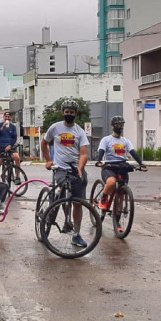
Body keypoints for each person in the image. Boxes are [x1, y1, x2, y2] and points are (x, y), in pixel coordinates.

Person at [41, 99, 89, 248]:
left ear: (76, 114)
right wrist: (48, 160)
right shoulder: (55, 128)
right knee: (63, 193)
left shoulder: (79, 131)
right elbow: (44, 142)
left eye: (72, 112)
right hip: (60, 168)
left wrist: (80, 169)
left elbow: (84, 153)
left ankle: (76, 233)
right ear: (63, 113)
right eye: (67, 112)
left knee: (78, 202)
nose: (69, 114)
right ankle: (64, 215)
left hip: (75, 169)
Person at [94, 116, 145, 231]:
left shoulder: (126, 141)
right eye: (117, 125)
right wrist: (99, 160)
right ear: (113, 126)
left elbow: (133, 152)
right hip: (109, 167)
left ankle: (117, 222)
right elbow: (101, 151)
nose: (120, 127)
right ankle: (104, 197)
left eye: (121, 124)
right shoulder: (106, 139)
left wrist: (141, 164)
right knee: (111, 182)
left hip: (122, 167)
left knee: (121, 195)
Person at [0, 111, 21, 182]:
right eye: (6, 117)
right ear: (3, 117)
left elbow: (14, 137)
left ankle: (17, 176)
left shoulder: (13, 127)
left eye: (8, 117)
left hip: (10, 146)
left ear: (11, 118)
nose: (7, 118)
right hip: (0, 146)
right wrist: (3, 127)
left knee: (16, 157)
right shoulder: (0, 125)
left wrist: (10, 145)